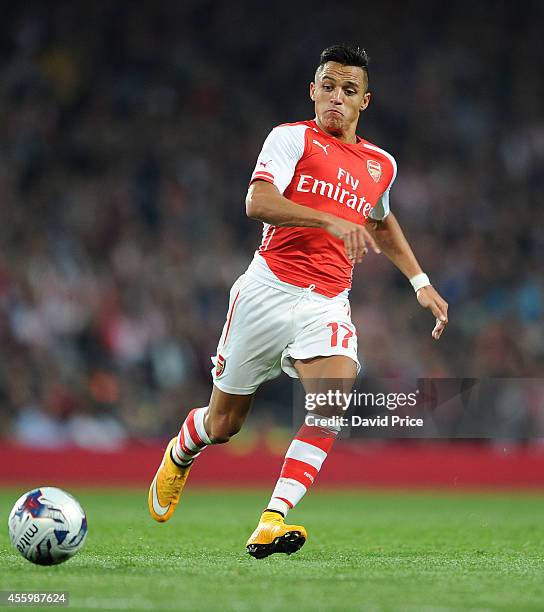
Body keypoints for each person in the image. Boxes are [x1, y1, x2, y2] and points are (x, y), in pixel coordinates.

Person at [148, 44, 448, 558]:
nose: (336, 97)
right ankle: (182, 448)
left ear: (364, 102)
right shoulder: (290, 139)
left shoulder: (380, 164)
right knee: (224, 425)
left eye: (348, 90)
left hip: (327, 301)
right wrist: (326, 218)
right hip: (267, 290)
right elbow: (256, 201)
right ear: (313, 91)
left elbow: (380, 220)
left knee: (331, 401)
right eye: (328, 87)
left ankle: (272, 519)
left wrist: (420, 282)